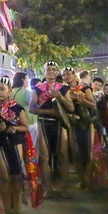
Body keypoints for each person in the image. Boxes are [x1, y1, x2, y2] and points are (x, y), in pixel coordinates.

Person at [30, 61, 74, 196]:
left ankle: (63, 187)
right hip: (44, 123)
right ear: (44, 71)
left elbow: (71, 108)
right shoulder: (38, 89)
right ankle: (47, 188)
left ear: (57, 72)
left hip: (60, 124)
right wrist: (51, 113)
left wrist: (60, 96)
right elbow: (32, 108)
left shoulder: (63, 88)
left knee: (63, 156)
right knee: (44, 157)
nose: (51, 71)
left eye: (54, 69)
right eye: (48, 69)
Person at [0, 75, 29, 214]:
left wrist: (13, 128)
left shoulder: (16, 107)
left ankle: (17, 208)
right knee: (4, 177)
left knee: (16, 176)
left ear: (9, 91)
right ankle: (7, 211)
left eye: (2, 89)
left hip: (15, 142)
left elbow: (25, 127)